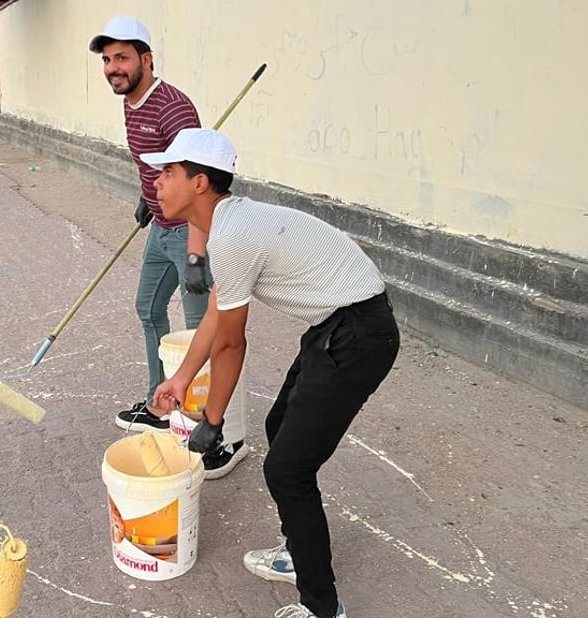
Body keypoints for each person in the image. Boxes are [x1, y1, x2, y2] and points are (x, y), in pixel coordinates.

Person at [147, 129, 400, 618]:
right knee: (278, 429)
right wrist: (181, 379)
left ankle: (322, 607)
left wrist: (212, 421)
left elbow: (232, 343)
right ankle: (299, 554)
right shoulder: (231, 225)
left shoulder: (235, 234)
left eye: (168, 173)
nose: (157, 183)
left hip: (359, 337)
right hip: (338, 325)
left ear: (199, 183)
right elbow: (219, 315)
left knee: (287, 470)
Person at [89, 15, 248, 479]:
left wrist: (198, 253)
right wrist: (146, 196)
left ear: (146, 58)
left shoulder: (173, 108)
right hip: (162, 226)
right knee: (148, 308)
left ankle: (221, 432)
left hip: (189, 230)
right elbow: (162, 167)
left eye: (122, 57)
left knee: (210, 330)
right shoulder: (130, 100)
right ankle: (161, 400)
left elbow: (198, 187)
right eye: (107, 60)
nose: (113, 68)